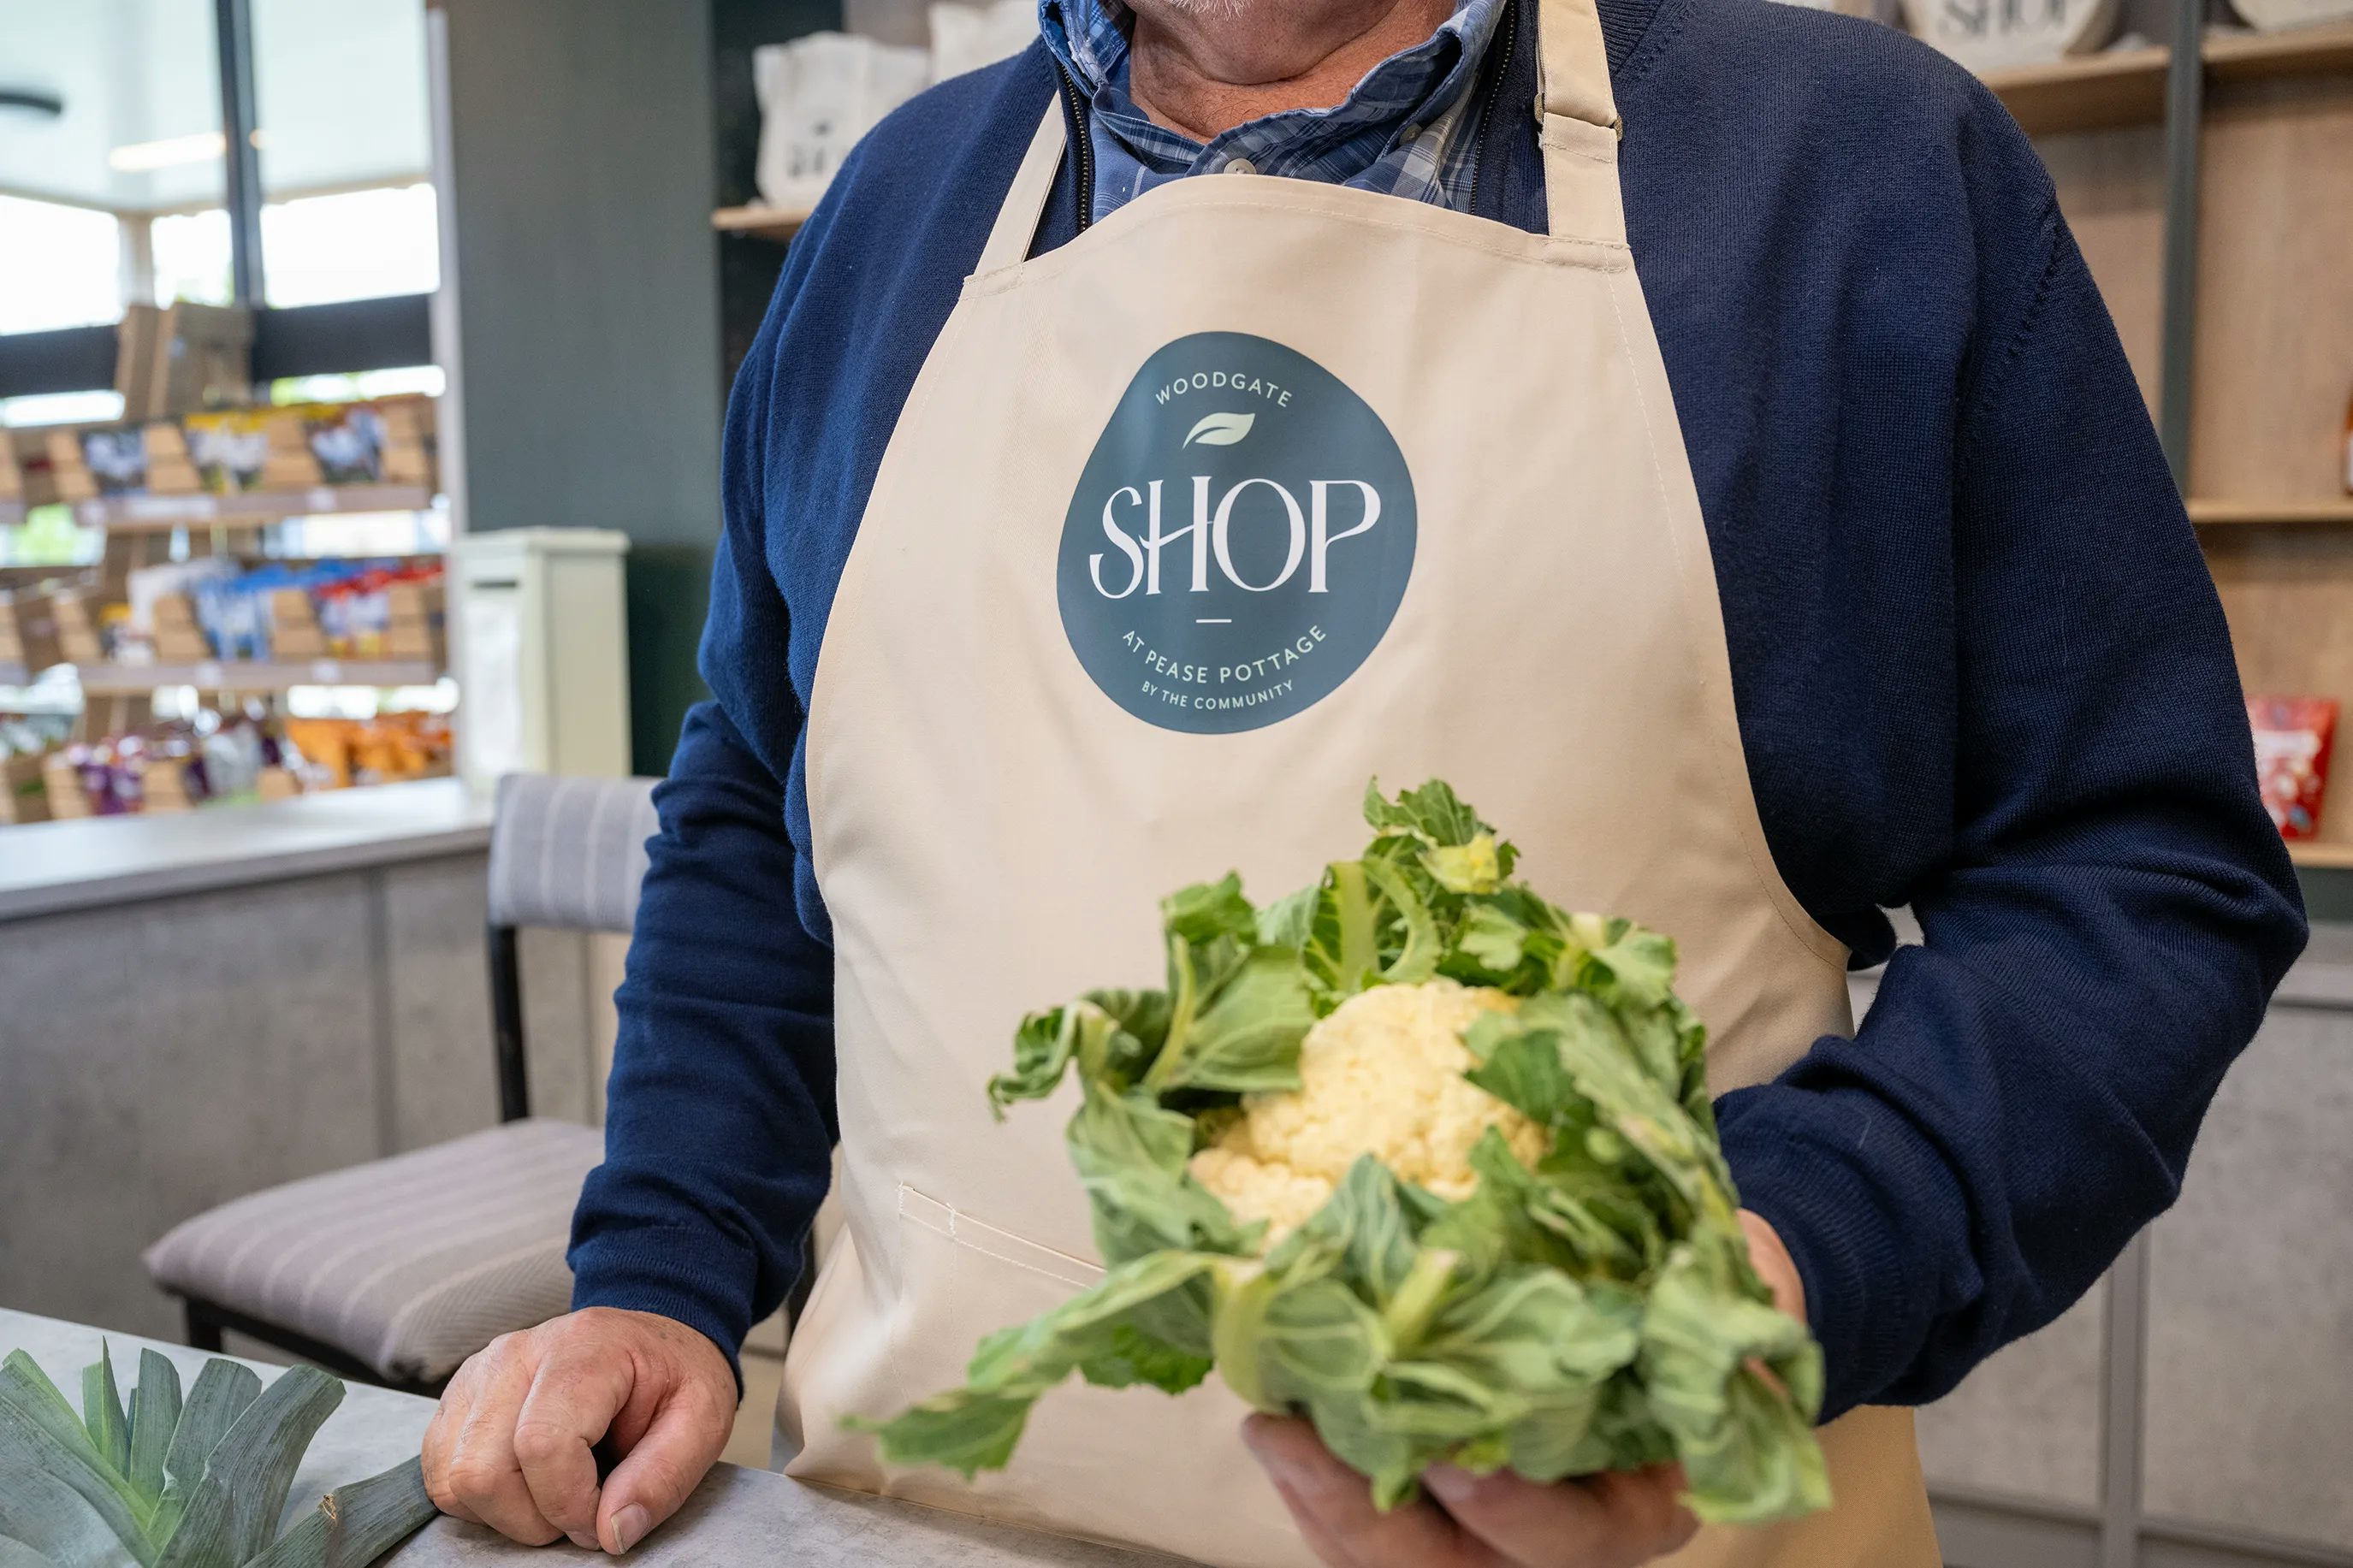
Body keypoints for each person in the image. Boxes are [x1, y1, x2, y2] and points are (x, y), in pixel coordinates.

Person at [419, 0, 2309, 1560]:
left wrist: (1780, 1253)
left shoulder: (1850, 176)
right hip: (931, 1518)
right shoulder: (883, 225)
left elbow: (2128, 861)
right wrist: (660, 1264)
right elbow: (759, 801)